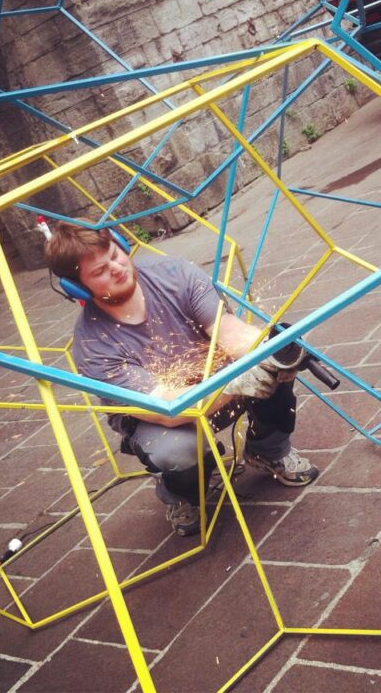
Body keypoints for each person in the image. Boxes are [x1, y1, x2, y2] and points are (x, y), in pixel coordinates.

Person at [45, 222, 319, 536]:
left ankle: (268, 450)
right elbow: (168, 407)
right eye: (100, 272)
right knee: (177, 452)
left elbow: (228, 331)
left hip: (218, 380)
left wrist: (268, 350)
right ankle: (183, 494)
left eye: (115, 255)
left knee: (271, 370)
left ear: (120, 243)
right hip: (165, 418)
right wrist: (235, 382)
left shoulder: (174, 274)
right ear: (79, 289)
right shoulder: (93, 345)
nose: (117, 268)